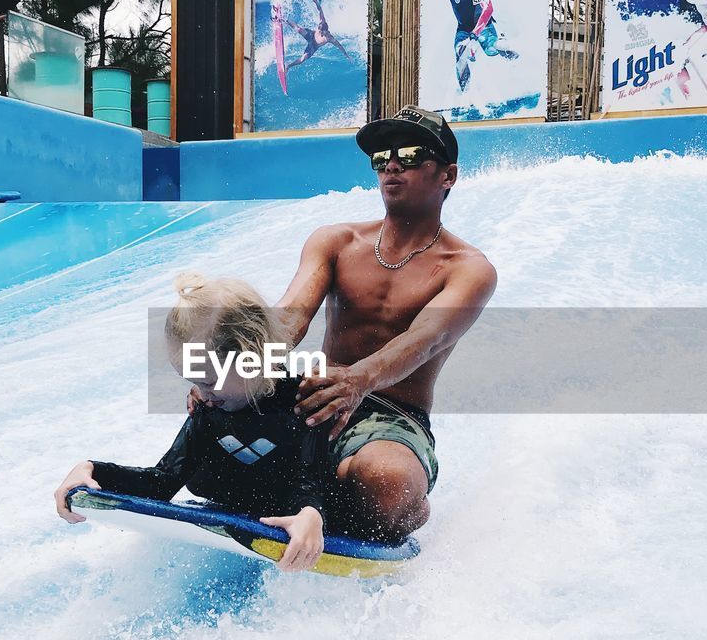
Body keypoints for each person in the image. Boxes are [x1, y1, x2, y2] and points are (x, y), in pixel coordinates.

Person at [270, 106, 497, 543]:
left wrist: (359, 380)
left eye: (412, 155)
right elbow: (290, 316)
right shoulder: (336, 241)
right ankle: (320, 489)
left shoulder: (467, 269)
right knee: (219, 412)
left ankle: (402, 501)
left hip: (393, 416)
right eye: (382, 157)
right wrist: (232, 367)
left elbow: (426, 339)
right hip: (316, 397)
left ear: (447, 175)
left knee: (389, 485)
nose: (393, 164)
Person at [54, 273, 329, 573]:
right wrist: (93, 470)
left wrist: (311, 514)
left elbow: (311, 476)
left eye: (209, 381)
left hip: (297, 504)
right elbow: (162, 481)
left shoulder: (303, 402)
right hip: (241, 497)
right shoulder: (208, 412)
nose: (202, 393)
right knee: (199, 474)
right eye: (193, 382)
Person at [428, 0, 519, 90]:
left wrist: (475, 34)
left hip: (482, 26)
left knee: (492, 47)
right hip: (463, 28)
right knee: (460, 54)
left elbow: (488, 9)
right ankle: (466, 96)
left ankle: (513, 55)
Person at [283, 0, 353, 73]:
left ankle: (288, 66)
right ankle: (285, 20)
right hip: (311, 35)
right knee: (299, 29)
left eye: (321, 32)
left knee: (303, 59)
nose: (319, 32)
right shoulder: (322, 22)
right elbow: (320, 10)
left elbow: (339, 45)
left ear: (325, 31)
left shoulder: (329, 38)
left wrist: (347, 56)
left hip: (313, 46)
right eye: (319, 29)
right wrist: (316, 2)